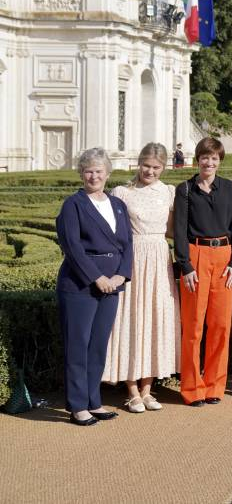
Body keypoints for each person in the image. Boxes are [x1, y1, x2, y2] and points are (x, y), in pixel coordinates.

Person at [56, 147, 133, 425]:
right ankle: (78, 406)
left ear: (107, 173)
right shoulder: (73, 205)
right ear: (81, 173)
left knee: (98, 345)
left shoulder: (118, 205)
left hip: (112, 285)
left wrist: (121, 275)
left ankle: (93, 401)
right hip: (80, 286)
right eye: (88, 171)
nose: (94, 176)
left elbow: (128, 244)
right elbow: (72, 246)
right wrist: (96, 278)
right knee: (78, 345)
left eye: (99, 171)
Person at [103, 143, 179, 413]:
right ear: (139, 163)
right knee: (131, 319)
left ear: (164, 168)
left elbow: (172, 231)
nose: (150, 171)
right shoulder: (122, 192)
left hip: (159, 259)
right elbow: (111, 232)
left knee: (155, 319)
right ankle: (132, 391)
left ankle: (148, 389)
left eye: (156, 167)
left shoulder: (169, 192)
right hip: (132, 259)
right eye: (146, 165)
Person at [173, 136, 232, 407]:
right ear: (197, 159)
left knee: (221, 326)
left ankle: (214, 385)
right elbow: (179, 230)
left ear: (219, 161)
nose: (209, 162)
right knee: (193, 327)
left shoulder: (229, 188)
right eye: (205, 157)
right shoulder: (185, 189)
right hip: (196, 256)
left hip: (224, 257)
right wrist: (185, 265)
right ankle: (192, 388)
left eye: (214, 158)